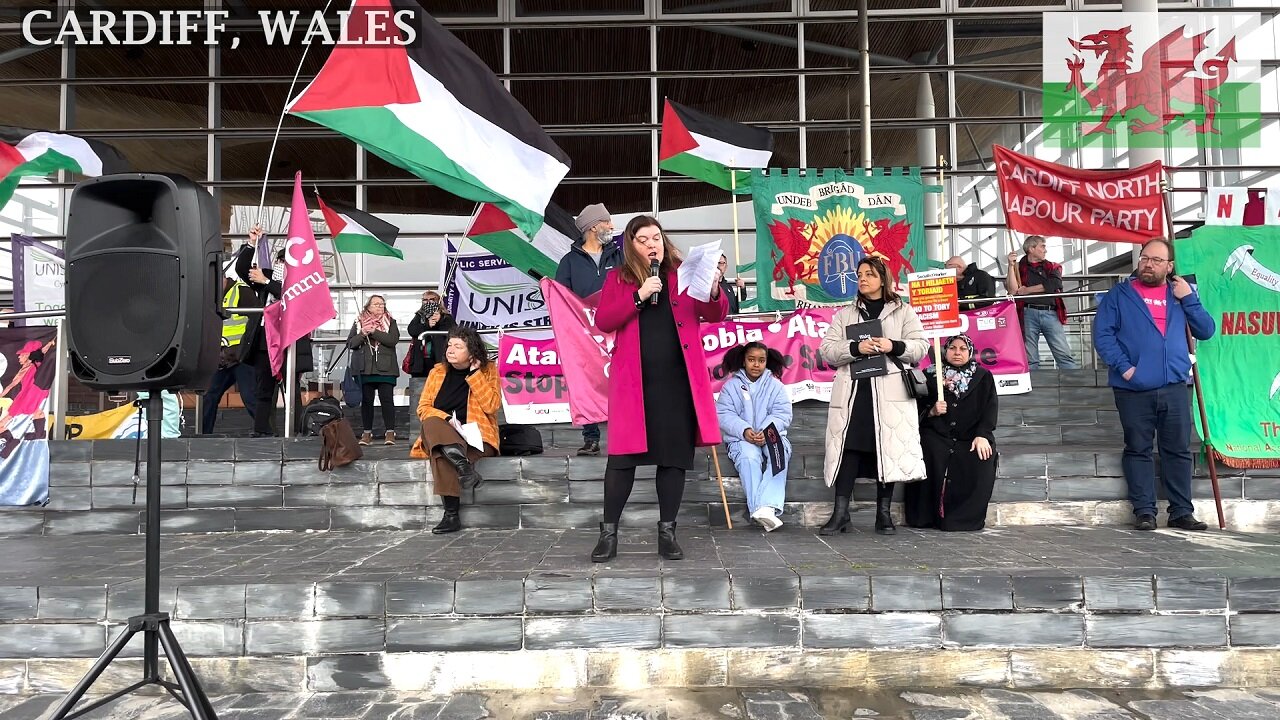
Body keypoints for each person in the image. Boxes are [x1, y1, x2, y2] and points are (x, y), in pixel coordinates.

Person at [590, 214, 728, 562]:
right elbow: (604, 321)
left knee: (673, 460)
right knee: (622, 461)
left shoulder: (682, 272)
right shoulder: (618, 278)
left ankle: (667, 531)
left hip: (678, 382)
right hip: (635, 385)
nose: (652, 244)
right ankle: (609, 532)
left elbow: (714, 314)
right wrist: (638, 296)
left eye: (656, 237)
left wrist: (713, 289)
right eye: (643, 239)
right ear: (630, 246)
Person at [1093, 238, 1215, 532]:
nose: (1148, 264)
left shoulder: (1179, 295)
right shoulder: (1119, 295)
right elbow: (1103, 337)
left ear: (1169, 266)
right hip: (1133, 388)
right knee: (1138, 448)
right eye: (1145, 258)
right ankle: (1144, 511)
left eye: (1156, 260)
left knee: (1178, 450)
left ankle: (1181, 511)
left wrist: (1189, 298)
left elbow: (1206, 330)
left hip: (1173, 385)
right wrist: (1127, 370)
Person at [817, 256, 928, 536]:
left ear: (883, 278)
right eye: (859, 274)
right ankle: (840, 514)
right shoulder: (845, 314)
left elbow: (920, 348)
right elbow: (826, 350)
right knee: (848, 449)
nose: (863, 278)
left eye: (869, 274)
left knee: (885, 448)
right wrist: (855, 349)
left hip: (890, 392)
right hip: (855, 392)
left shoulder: (903, 311)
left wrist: (893, 344)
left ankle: (883, 514)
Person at [410, 326, 500, 534]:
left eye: (458, 346)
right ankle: (464, 468)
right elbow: (423, 408)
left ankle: (451, 515)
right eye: (450, 344)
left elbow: (492, 406)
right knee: (432, 421)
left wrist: (475, 374)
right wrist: (448, 419)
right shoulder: (437, 372)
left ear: (472, 353)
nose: (450, 349)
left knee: (441, 452)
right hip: (443, 432)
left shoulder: (488, 371)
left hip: (477, 437)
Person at [903, 334, 999, 531]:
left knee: (981, 457)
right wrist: (931, 410)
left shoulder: (982, 376)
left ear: (970, 352)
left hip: (969, 436)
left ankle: (962, 519)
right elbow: (913, 408)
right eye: (952, 348)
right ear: (944, 351)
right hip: (937, 434)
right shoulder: (929, 376)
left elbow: (990, 408)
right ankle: (925, 516)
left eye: (963, 349)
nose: (957, 352)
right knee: (929, 451)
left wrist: (983, 434)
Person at [555, 203, 622, 457]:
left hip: (617, 329)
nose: (611, 226)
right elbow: (562, 299)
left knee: (618, 381)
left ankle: (621, 434)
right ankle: (590, 437)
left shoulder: (619, 256)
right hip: (585, 335)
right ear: (593, 227)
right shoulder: (569, 262)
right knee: (586, 381)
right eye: (607, 222)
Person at [235, 227, 315, 437]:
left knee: (292, 390)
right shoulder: (266, 277)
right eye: (280, 260)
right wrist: (252, 243)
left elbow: (293, 299)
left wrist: (268, 283)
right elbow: (243, 269)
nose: (282, 265)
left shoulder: (302, 282)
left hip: (292, 340)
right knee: (264, 388)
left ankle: (296, 430)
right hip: (266, 340)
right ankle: (261, 429)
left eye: (286, 261)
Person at [715, 342, 792, 531]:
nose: (756, 365)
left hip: (771, 435)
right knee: (749, 458)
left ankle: (765, 508)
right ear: (743, 361)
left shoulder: (776, 386)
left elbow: (783, 414)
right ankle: (762, 510)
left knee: (778, 454)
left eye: (761, 360)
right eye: (751, 360)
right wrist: (744, 430)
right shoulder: (731, 386)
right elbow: (724, 414)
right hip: (741, 438)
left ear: (767, 362)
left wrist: (766, 432)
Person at [1006, 236, 1079, 370]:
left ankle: (1075, 386)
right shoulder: (1018, 267)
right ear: (1031, 249)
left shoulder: (1051, 266)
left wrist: (1027, 290)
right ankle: (1033, 388)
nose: (1045, 250)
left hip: (1050, 312)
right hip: (1027, 312)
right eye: (1042, 246)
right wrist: (1010, 266)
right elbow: (1012, 290)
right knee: (1030, 358)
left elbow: (1055, 283)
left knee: (1063, 355)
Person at [200, 277, 258, 434]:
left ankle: (264, 431)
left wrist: (243, 349)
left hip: (242, 357)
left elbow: (256, 320)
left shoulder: (241, 291)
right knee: (209, 395)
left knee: (250, 397)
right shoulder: (209, 295)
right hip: (222, 358)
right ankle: (204, 434)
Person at [346, 295, 401, 446]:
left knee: (387, 400)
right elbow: (351, 343)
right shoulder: (359, 322)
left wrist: (374, 331)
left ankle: (390, 432)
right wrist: (363, 333)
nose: (380, 307)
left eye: (382, 304)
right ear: (368, 306)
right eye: (376, 304)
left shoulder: (391, 321)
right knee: (367, 401)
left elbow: (392, 340)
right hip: (364, 369)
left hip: (386, 369)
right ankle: (366, 433)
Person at [405, 289, 455, 408]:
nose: (428, 302)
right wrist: (427, 325)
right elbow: (412, 330)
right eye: (425, 300)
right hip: (420, 361)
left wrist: (440, 321)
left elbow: (452, 331)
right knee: (420, 391)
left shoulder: (446, 317)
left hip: (438, 359)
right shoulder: (419, 316)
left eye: (432, 300)